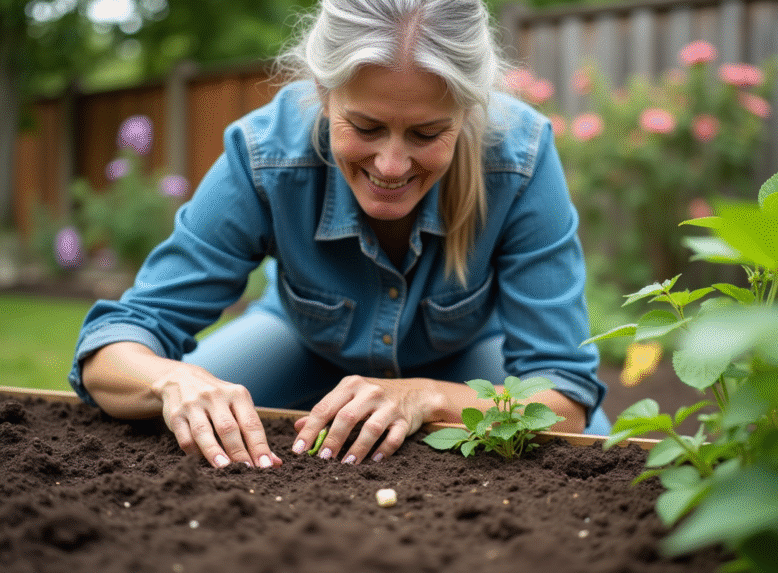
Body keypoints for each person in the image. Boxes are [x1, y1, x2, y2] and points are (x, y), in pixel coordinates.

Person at [69, 0, 610, 470]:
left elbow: (563, 392)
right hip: (302, 345)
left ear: (467, 112)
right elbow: (112, 350)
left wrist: (425, 397)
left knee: (596, 449)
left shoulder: (519, 157)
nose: (392, 165)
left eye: (426, 133)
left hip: (469, 360)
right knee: (186, 419)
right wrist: (174, 383)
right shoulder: (264, 154)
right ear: (324, 95)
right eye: (366, 127)